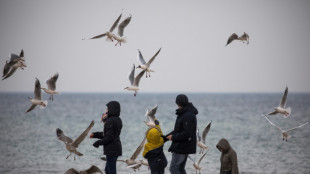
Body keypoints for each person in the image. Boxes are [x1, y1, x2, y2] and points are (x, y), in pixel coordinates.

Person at [164, 94, 198, 174]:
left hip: (182, 147)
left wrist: (173, 137)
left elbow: (187, 133)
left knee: (173, 168)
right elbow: (178, 130)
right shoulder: (185, 113)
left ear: (178, 103)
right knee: (180, 169)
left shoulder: (187, 115)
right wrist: (165, 138)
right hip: (184, 146)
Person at [90, 101, 123, 174]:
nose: (106, 111)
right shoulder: (118, 120)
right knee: (107, 170)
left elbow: (109, 137)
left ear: (112, 109)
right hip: (116, 148)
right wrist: (95, 135)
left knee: (111, 171)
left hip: (111, 150)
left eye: (107, 109)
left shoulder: (110, 121)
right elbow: (109, 134)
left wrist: (98, 143)